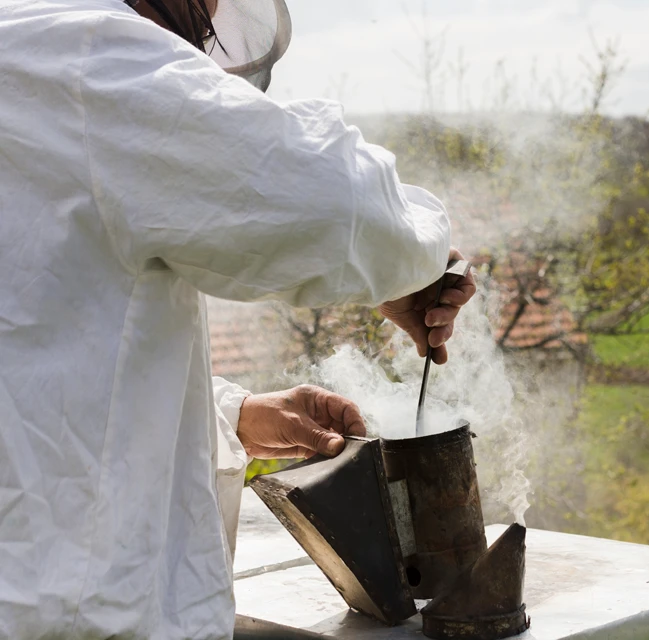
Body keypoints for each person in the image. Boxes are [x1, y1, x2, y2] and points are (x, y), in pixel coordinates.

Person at [0, 0, 476, 638]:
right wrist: (419, 254)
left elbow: (38, 348)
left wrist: (231, 418)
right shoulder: (94, 57)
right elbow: (341, 206)